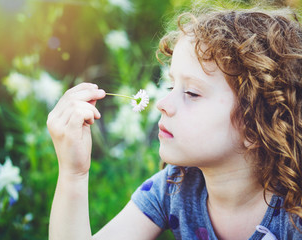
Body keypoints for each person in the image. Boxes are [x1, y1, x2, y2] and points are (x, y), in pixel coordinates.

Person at [47, 7, 302, 240]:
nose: (162, 104)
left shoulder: (293, 216)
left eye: (191, 93)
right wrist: (73, 173)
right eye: (171, 85)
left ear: (257, 123)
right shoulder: (173, 188)